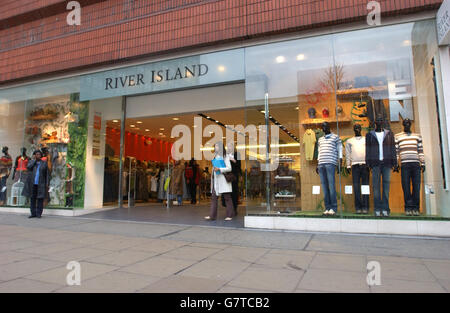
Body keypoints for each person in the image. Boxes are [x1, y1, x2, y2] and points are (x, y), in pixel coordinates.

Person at [205, 142, 234, 221]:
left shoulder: (225, 156)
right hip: (216, 179)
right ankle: (212, 216)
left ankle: (229, 215)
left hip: (223, 179)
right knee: (214, 197)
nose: (215, 147)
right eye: (215, 146)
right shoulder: (215, 156)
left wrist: (220, 169)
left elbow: (229, 168)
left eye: (217, 146)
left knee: (227, 197)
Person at [22, 150, 49, 218]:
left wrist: (47, 183)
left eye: (39, 154)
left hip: (41, 183)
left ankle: (39, 214)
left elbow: (47, 174)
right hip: (32, 183)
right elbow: (28, 167)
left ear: (41, 156)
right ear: (34, 155)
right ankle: (33, 213)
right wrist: (34, 161)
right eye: (36, 154)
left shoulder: (44, 163)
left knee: (40, 198)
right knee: (32, 198)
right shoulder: (31, 162)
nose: (38, 156)